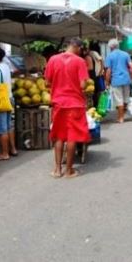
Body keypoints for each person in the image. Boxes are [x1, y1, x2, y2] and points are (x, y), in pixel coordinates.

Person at [45, 38, 90, 178]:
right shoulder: (80, 62)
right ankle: (69, 170)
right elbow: (83, 85)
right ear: (77, 47)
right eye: (81, 49)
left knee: (59, 136)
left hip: (58, 103)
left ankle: (57, 170)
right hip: (75, 103)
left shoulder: (53, 59)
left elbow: (47, 81)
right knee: (72, 136)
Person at [105, 38, 132, 124]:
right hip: (126, 79)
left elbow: (108, 71)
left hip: (116, 80)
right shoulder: (126, 54)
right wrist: (131, 77)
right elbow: (131, 67)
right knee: (125, 99)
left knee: (119, 100)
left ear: (111, 47)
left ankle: (121, 118)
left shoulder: (110, 56)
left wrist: (107, 82)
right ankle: (122, 115)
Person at [84, 42, 105, 107]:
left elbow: (101, 60)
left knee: (97, 90)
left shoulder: (93, 53)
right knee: (96, 90)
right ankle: (96, 105)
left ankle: (97, 105)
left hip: (97, 74)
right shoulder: (90, 54)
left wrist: (101, 70)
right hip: (96, 74)